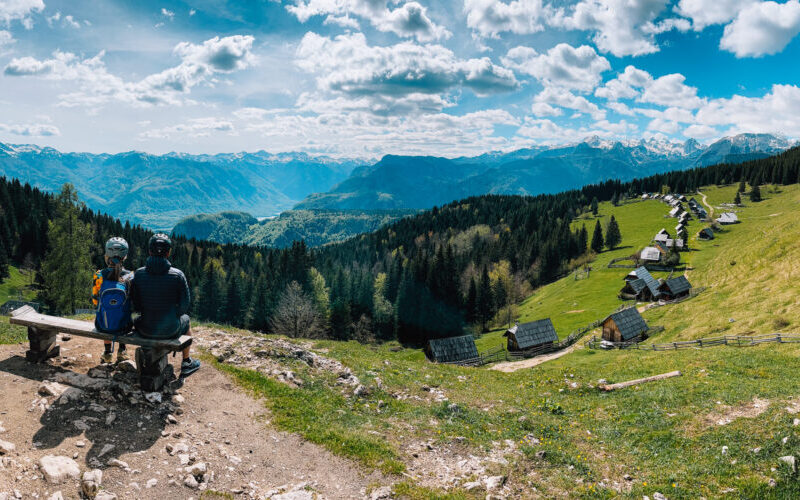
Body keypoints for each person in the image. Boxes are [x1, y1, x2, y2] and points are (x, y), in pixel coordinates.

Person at [129, 233, 200, 378]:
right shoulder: (177, 275)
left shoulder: (139, 274)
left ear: (149, 251)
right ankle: (186, 362)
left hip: (145, 328)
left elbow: (135, 304)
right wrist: (172, 315)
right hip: (170, 330)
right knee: (186, 319)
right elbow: (184, 306)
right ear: (168, 253)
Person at [92, 237, 133, 364]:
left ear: (106, 255)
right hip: (124, 327)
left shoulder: (99, 275)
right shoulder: (130, 275)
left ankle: (107, 353)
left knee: (105, 312)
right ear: (125, 256)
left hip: (102, 326)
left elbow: (95, 301)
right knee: (124, 312)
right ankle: (122, 350)